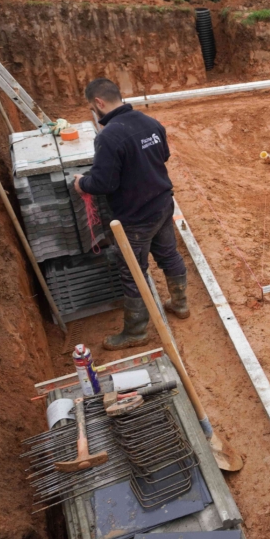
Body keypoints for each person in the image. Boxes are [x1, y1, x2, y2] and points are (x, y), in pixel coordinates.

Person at [73, 78, 189, 351]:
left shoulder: (109, 137)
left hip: (136, 217)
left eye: (92, 106)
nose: (94, 110)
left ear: (99, 103)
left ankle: (136, 331)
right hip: (162, 204)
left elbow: (103, 183)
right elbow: (163, 156)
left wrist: (81, 183)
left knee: (133, 272)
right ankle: (181, 304)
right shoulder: (150, 123)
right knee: (169, 254)